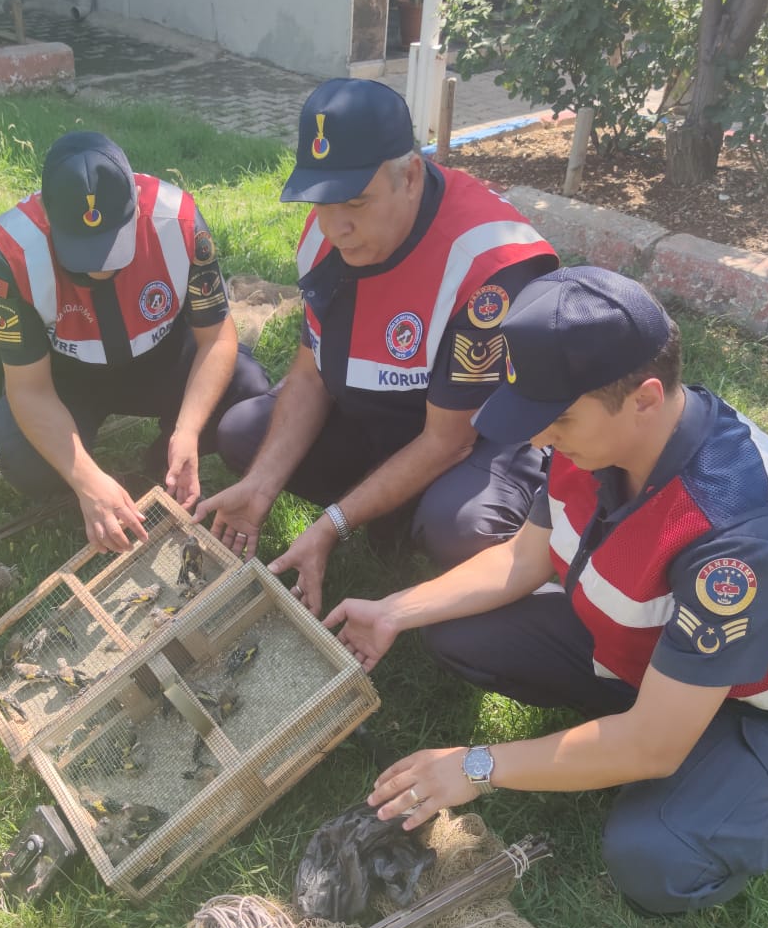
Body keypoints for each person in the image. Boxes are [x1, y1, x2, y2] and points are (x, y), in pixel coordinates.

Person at [326, 267, 768, 915]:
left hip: (764, 708)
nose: (540, 439)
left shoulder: (741, 540)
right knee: (453, 628)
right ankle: (613, 733)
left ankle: (739, 790)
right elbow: (524, 556)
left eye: (557, 421)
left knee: (655, 856)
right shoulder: (597, 437)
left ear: (646, 398)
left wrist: (477, 766)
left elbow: (654, 744)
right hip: (659, 658)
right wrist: (396, 610)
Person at [196, 79, 559, 615]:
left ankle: (449, 530)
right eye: (320, 201)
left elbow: (448, 442)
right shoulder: (328, 233)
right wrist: (261, 485)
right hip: (385, 418)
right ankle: (385, 510)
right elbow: (313, 371)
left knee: (460, 526)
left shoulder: (486, 267)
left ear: (410, 176)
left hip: (474, 440)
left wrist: (332, 524)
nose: (335, 227)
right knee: (243, 435)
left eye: (356, 202)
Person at [0, 131, 270, 551]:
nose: (99, 267)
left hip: (163, 355)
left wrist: (188, 430)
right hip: (66, 373)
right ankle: (91, 487)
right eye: (81, 250)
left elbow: (216, 338)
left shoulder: (180, 220)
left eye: (112, 245)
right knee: (23, 457)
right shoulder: (10, 254)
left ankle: (163, 458)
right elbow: (28, 387)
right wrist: (87, 479)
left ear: (137, 206)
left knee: (249, 389)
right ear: (47, 215)